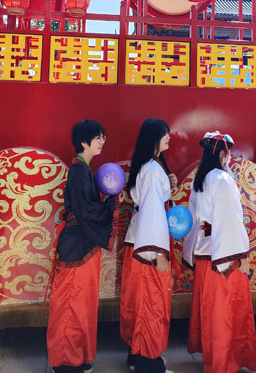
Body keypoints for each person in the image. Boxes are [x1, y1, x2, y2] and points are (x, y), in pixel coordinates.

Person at [183, 131, 256, 373]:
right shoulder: (222, 179)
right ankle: (224, 362)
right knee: (225, 310)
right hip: (223, 253)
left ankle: (213, 358)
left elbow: (194, 218)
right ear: (223, 154)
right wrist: (241, 254)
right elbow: (230, 219)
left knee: (211, 309)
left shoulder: (200, 179)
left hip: (205, 249)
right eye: (228, 154)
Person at [46, 119, 116, 373]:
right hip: (77, 246)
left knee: (82, 304)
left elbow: (88, 209)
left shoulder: (85, 169)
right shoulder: (78, 171)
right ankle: (66, 361)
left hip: (83, 244)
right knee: (70, 304)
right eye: (98, 137)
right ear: (84, 142)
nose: (102, 142)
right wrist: (110, 202)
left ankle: (78, 355)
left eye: (102, 137)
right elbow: (86, 210)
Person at [120, 118, 176, 373]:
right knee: (150, 302)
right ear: (154, 138)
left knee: (139, 301)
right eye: (165, 134)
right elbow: (154, 212)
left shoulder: (147, 166)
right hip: (149, 245)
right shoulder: (152, 169)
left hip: (139, 239)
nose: (169, 138)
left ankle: (137, 356)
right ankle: (148, 362)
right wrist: (158, 253)